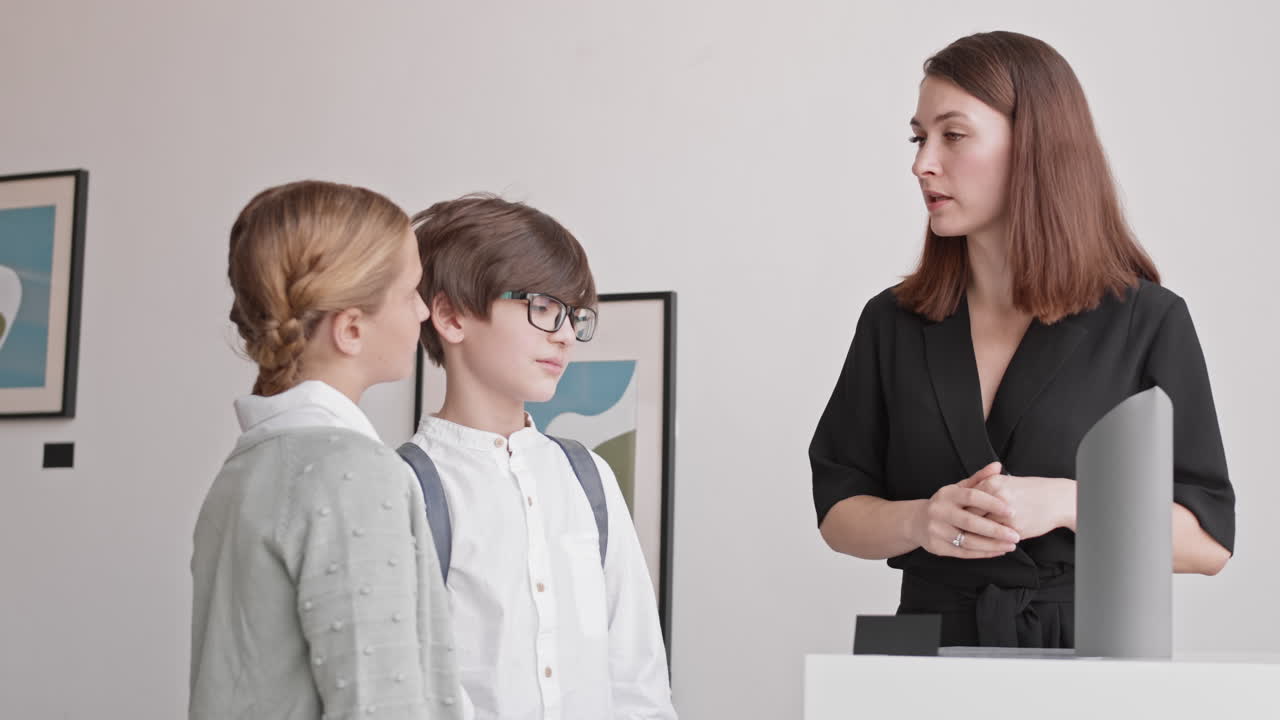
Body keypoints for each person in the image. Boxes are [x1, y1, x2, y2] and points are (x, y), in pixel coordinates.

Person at [809, 31, 1235, 648]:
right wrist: (922, 520)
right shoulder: (892, 321)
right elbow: (837, 512)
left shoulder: (1147, 320)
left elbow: (1209, 542)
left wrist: (1067, 501)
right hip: (916, 648)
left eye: (952, 135)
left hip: (1084, 650)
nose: (922, 162)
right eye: (918, 137)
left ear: (1035, 145)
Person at [191, 180, 466, 718]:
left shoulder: (245, 467)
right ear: (351, 330)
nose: (423, 312)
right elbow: (380, 704)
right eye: (411, 291)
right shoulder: (354, 473)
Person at [402, 194, 677, 719]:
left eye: (574, 315)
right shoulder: (404, 487)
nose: (567, 335)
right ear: (450, 315)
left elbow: (639, 677)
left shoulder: (587, 476)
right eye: (543, 307)